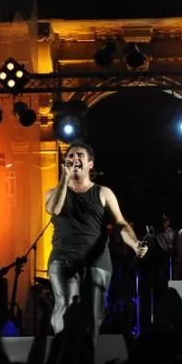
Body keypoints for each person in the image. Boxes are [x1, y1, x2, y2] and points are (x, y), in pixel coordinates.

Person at [46, 140, 148, 347]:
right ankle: (63, 355)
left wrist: (135, 243)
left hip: (97, 258)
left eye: (80, 155)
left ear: (90, 164)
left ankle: (88, 360)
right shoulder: (54, 192)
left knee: (94, 315)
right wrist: (64, 178)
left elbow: (120, 223)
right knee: (65, 305)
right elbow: (54, 209)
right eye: (71, 155)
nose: (75, 159)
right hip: (64, 257)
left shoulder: (103, 192)